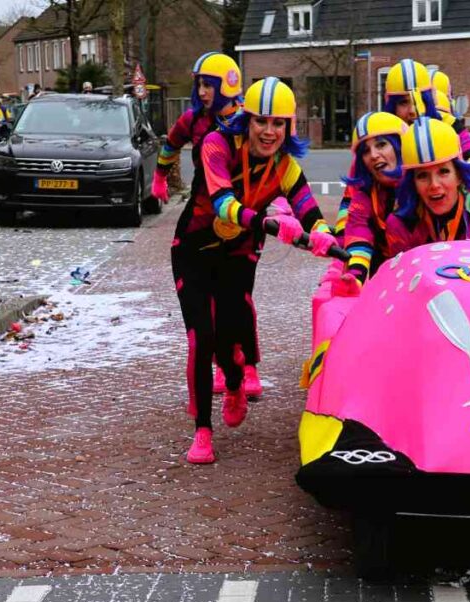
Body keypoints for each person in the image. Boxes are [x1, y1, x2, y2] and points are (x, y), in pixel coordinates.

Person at [172, 76, 336, 464]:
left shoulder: (286, 167)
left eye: (278, 123)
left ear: (288, 127)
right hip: (193, 251)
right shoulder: (217, 144)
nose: (269, 131)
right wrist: (269, 223)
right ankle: (202, 430)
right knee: (200, 338)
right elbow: (223, 203)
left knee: (230, 334)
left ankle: (234, 383)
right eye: (261, 120)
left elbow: (310, 211)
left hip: (237, 255)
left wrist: (323, 235)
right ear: (247, 119)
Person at [153, 53, 252, 397]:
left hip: (241, 218)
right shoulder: (193, 119)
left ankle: (247, 364)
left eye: (209, 85)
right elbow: (170, 145)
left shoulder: (246, 120)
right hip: (203, 214)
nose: (202, 92)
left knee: (239, 297)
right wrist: (160, 177)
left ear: (227, 85)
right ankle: (222, 365)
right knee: (206, 302)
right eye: (199, 85)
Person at [385, 117, 470, 255]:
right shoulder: (400, 224)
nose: (434, 185)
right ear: (413, 183)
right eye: (422, 176)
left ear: (459, 175)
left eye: (443, 171)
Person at [335, 112, 407, 293]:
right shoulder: (365, 196)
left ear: (400, 145)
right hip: (384, 281)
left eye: (381, 144)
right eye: (366, 151)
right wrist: (355, 277)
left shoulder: (421, 183)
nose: (373, 155)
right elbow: (358, 235)